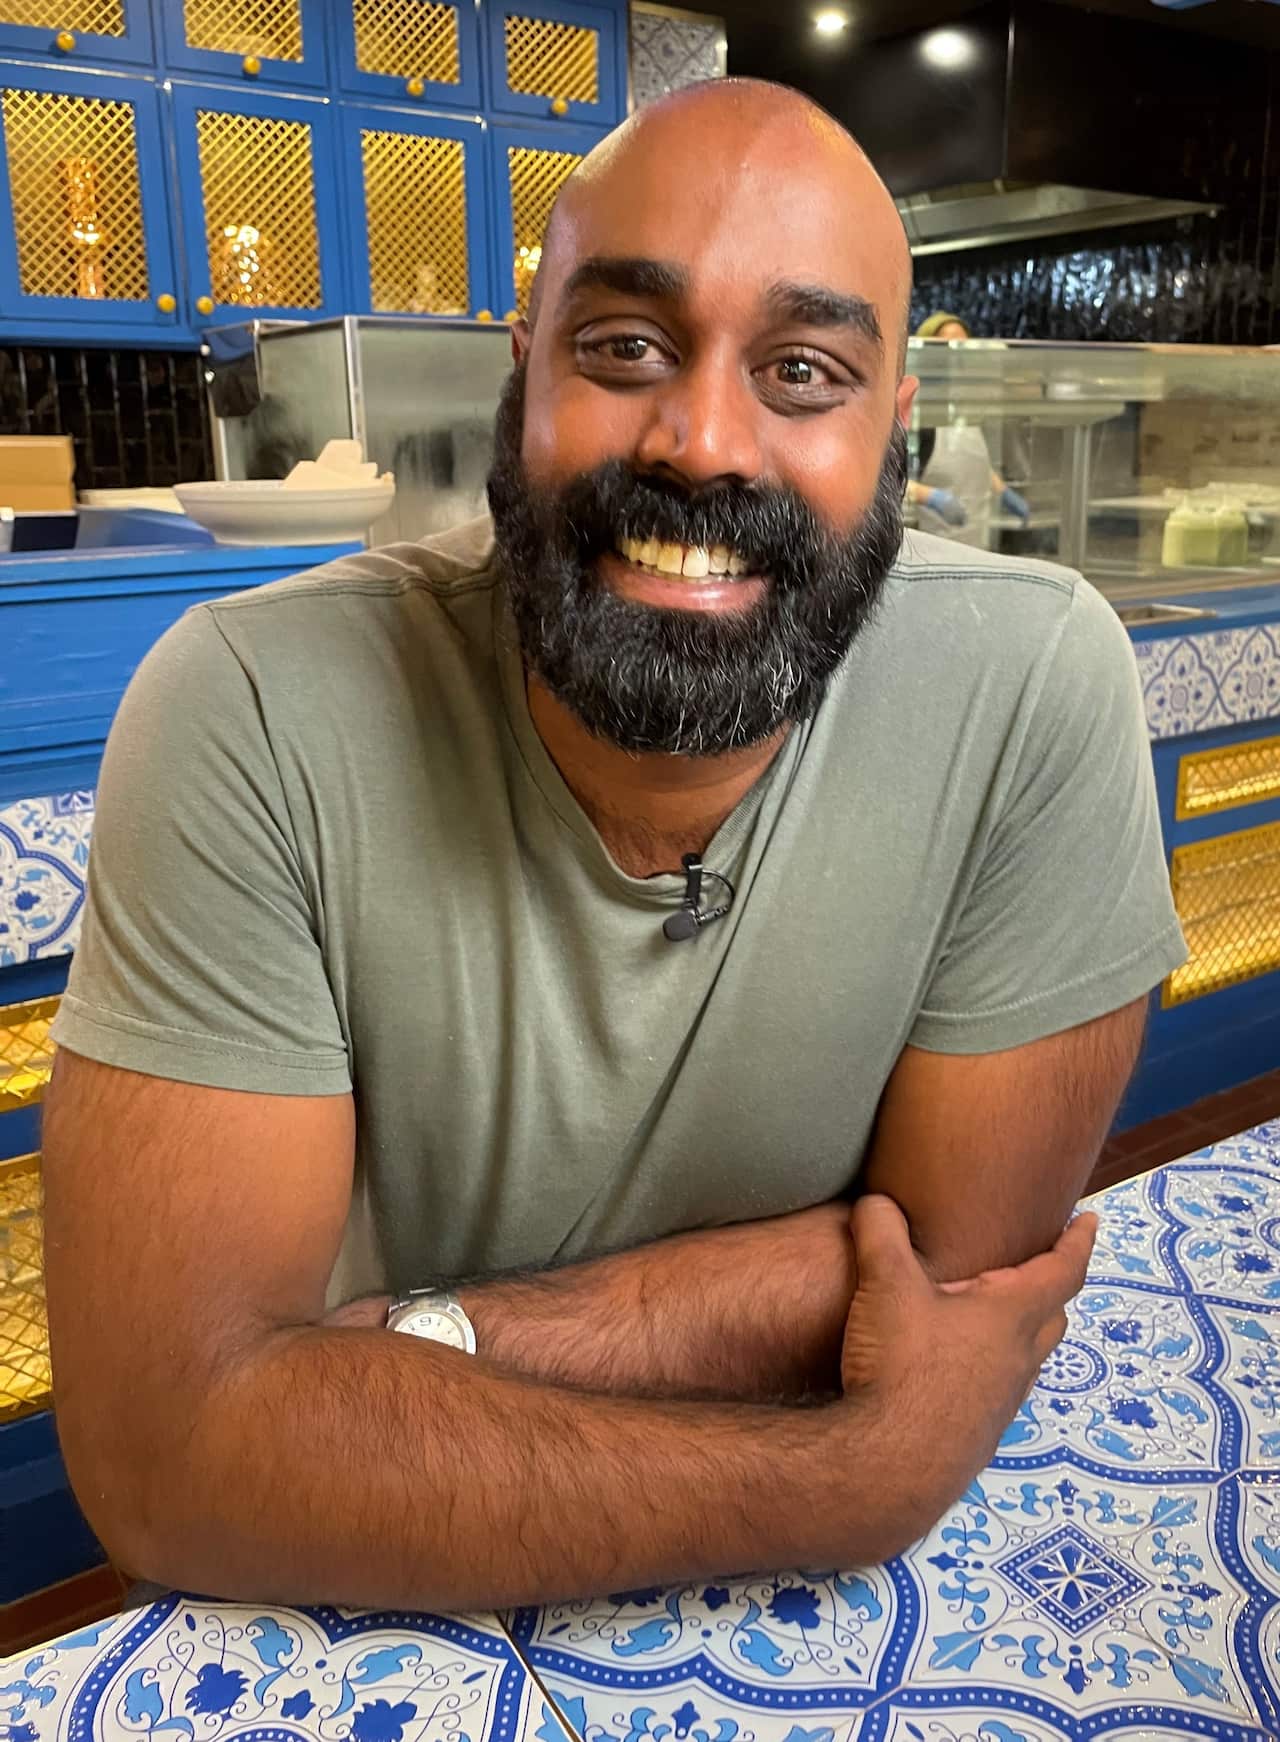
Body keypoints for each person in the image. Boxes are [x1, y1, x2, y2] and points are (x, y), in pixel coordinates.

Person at [42, 80, 1184, 1613]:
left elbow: (958, 1287)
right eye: (627, 346)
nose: (707, 443)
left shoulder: (1037, 687)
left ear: (895, 436)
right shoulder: (251, 706)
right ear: (526, 377)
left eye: (804, 370)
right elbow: (174, 1461)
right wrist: (841, 1478)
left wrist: (382, 1359)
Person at [907, 312, 1031, 546]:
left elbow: (972, 462)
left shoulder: (968, 406)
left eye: (964, 346)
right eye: (949, 346)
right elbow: (891, 483)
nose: (958, 354)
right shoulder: (918, 410)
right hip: (933, 550)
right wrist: (931, 498)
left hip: (978, 546)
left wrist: (1002, 491)